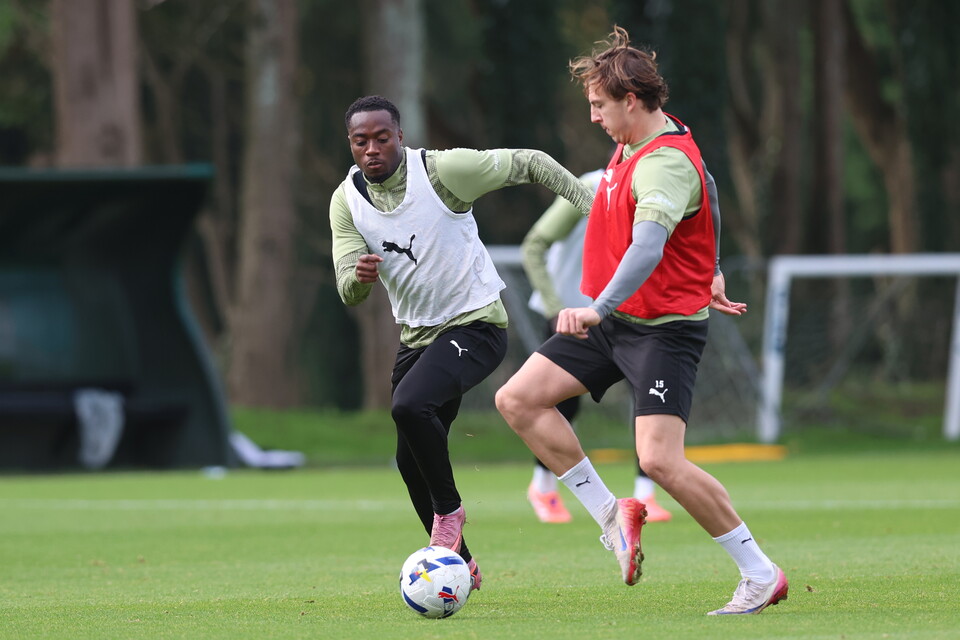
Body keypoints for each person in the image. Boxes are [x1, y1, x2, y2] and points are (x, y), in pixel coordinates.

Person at [495, 27, 788, 615]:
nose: (595, 118)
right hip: (615, 320)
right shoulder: (648, 136)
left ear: (630, 100)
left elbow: (648, 247)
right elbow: (709, 188)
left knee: (658, 460)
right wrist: (713, 265)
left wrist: (598, 305)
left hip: (661, 329)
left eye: (599, 106)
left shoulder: (662, 165)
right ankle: (611, 515)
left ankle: (761, 573)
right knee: (518, 399)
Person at [329, 95, 594, 593]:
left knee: (408, 405)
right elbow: (347, 286)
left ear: (400, 137)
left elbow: (531, 163)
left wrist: (597, 211)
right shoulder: (346, 200)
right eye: (360, 141)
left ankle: (450, 513)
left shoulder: (445, 172)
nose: (371, 149)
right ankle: (463, 565)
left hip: (477, 326)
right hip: (417, 338)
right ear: (351, 144)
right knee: (410, 461)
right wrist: (359, 276)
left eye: (381, 138)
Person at [522, 167, 672, 524]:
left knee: (651, 396)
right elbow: (534, 246)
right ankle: (543, 486)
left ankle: (645, 495)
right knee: (559, 404)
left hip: (624, 316)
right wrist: (557, 309)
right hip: (573, 315)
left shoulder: (660, 191)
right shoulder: (589, 187)